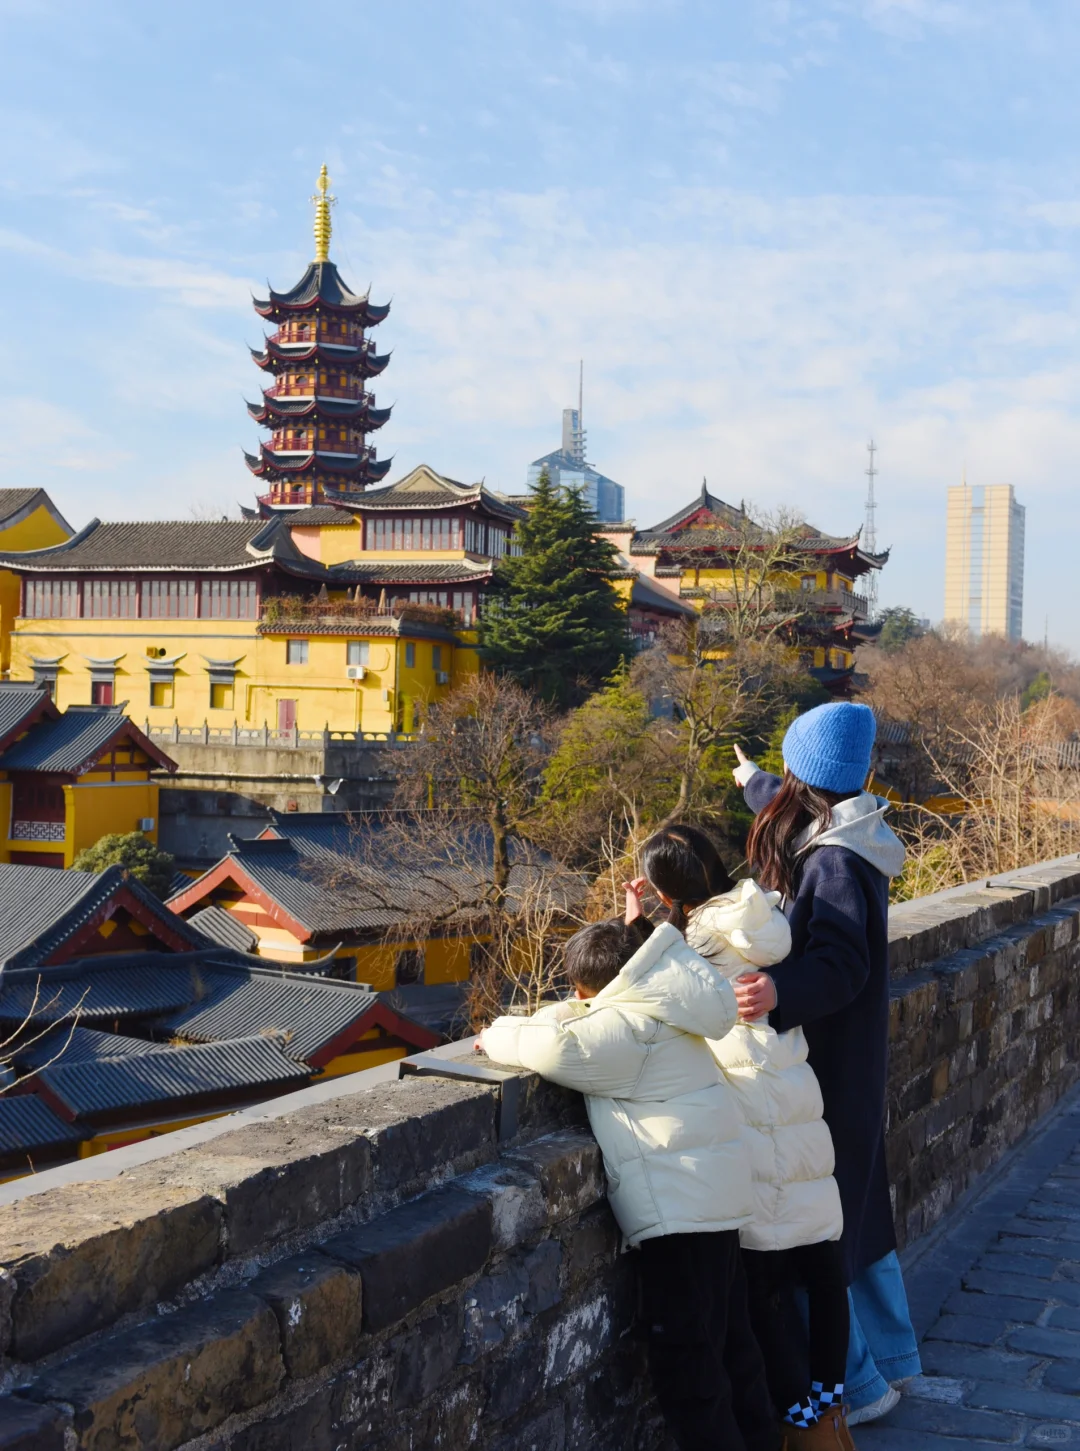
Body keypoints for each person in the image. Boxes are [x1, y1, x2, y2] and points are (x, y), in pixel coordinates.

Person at [480, 913, 781, 1451]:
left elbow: (554, 1047)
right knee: (735, 1349)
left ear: (586, 988)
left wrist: (492, 1031)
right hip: (713, 1200)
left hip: (682, 1216)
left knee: (691, 1373)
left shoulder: (627, 1031)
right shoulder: (671, 1002)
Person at [629, 824, 855, 1450]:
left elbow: (639, 990)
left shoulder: (693, 943)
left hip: (748, 1123)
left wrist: (637, 931)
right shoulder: (764, 917)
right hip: (797, 1110)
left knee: (757, 1285)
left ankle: (796, 1423)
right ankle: (830, 1412)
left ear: (664, 889)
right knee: (822, 1267)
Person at [730, 700, 921, 1426]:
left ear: (804, 779)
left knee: (815, 1222)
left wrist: (779, 990)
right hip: (852, 1067)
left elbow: (842, 961)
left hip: (828, 1074)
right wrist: (752, 778)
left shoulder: (837, 860)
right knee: (857, 1217)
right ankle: (891, 1360)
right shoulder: (853, 828)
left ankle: (864, 1385)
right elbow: (790, 799)